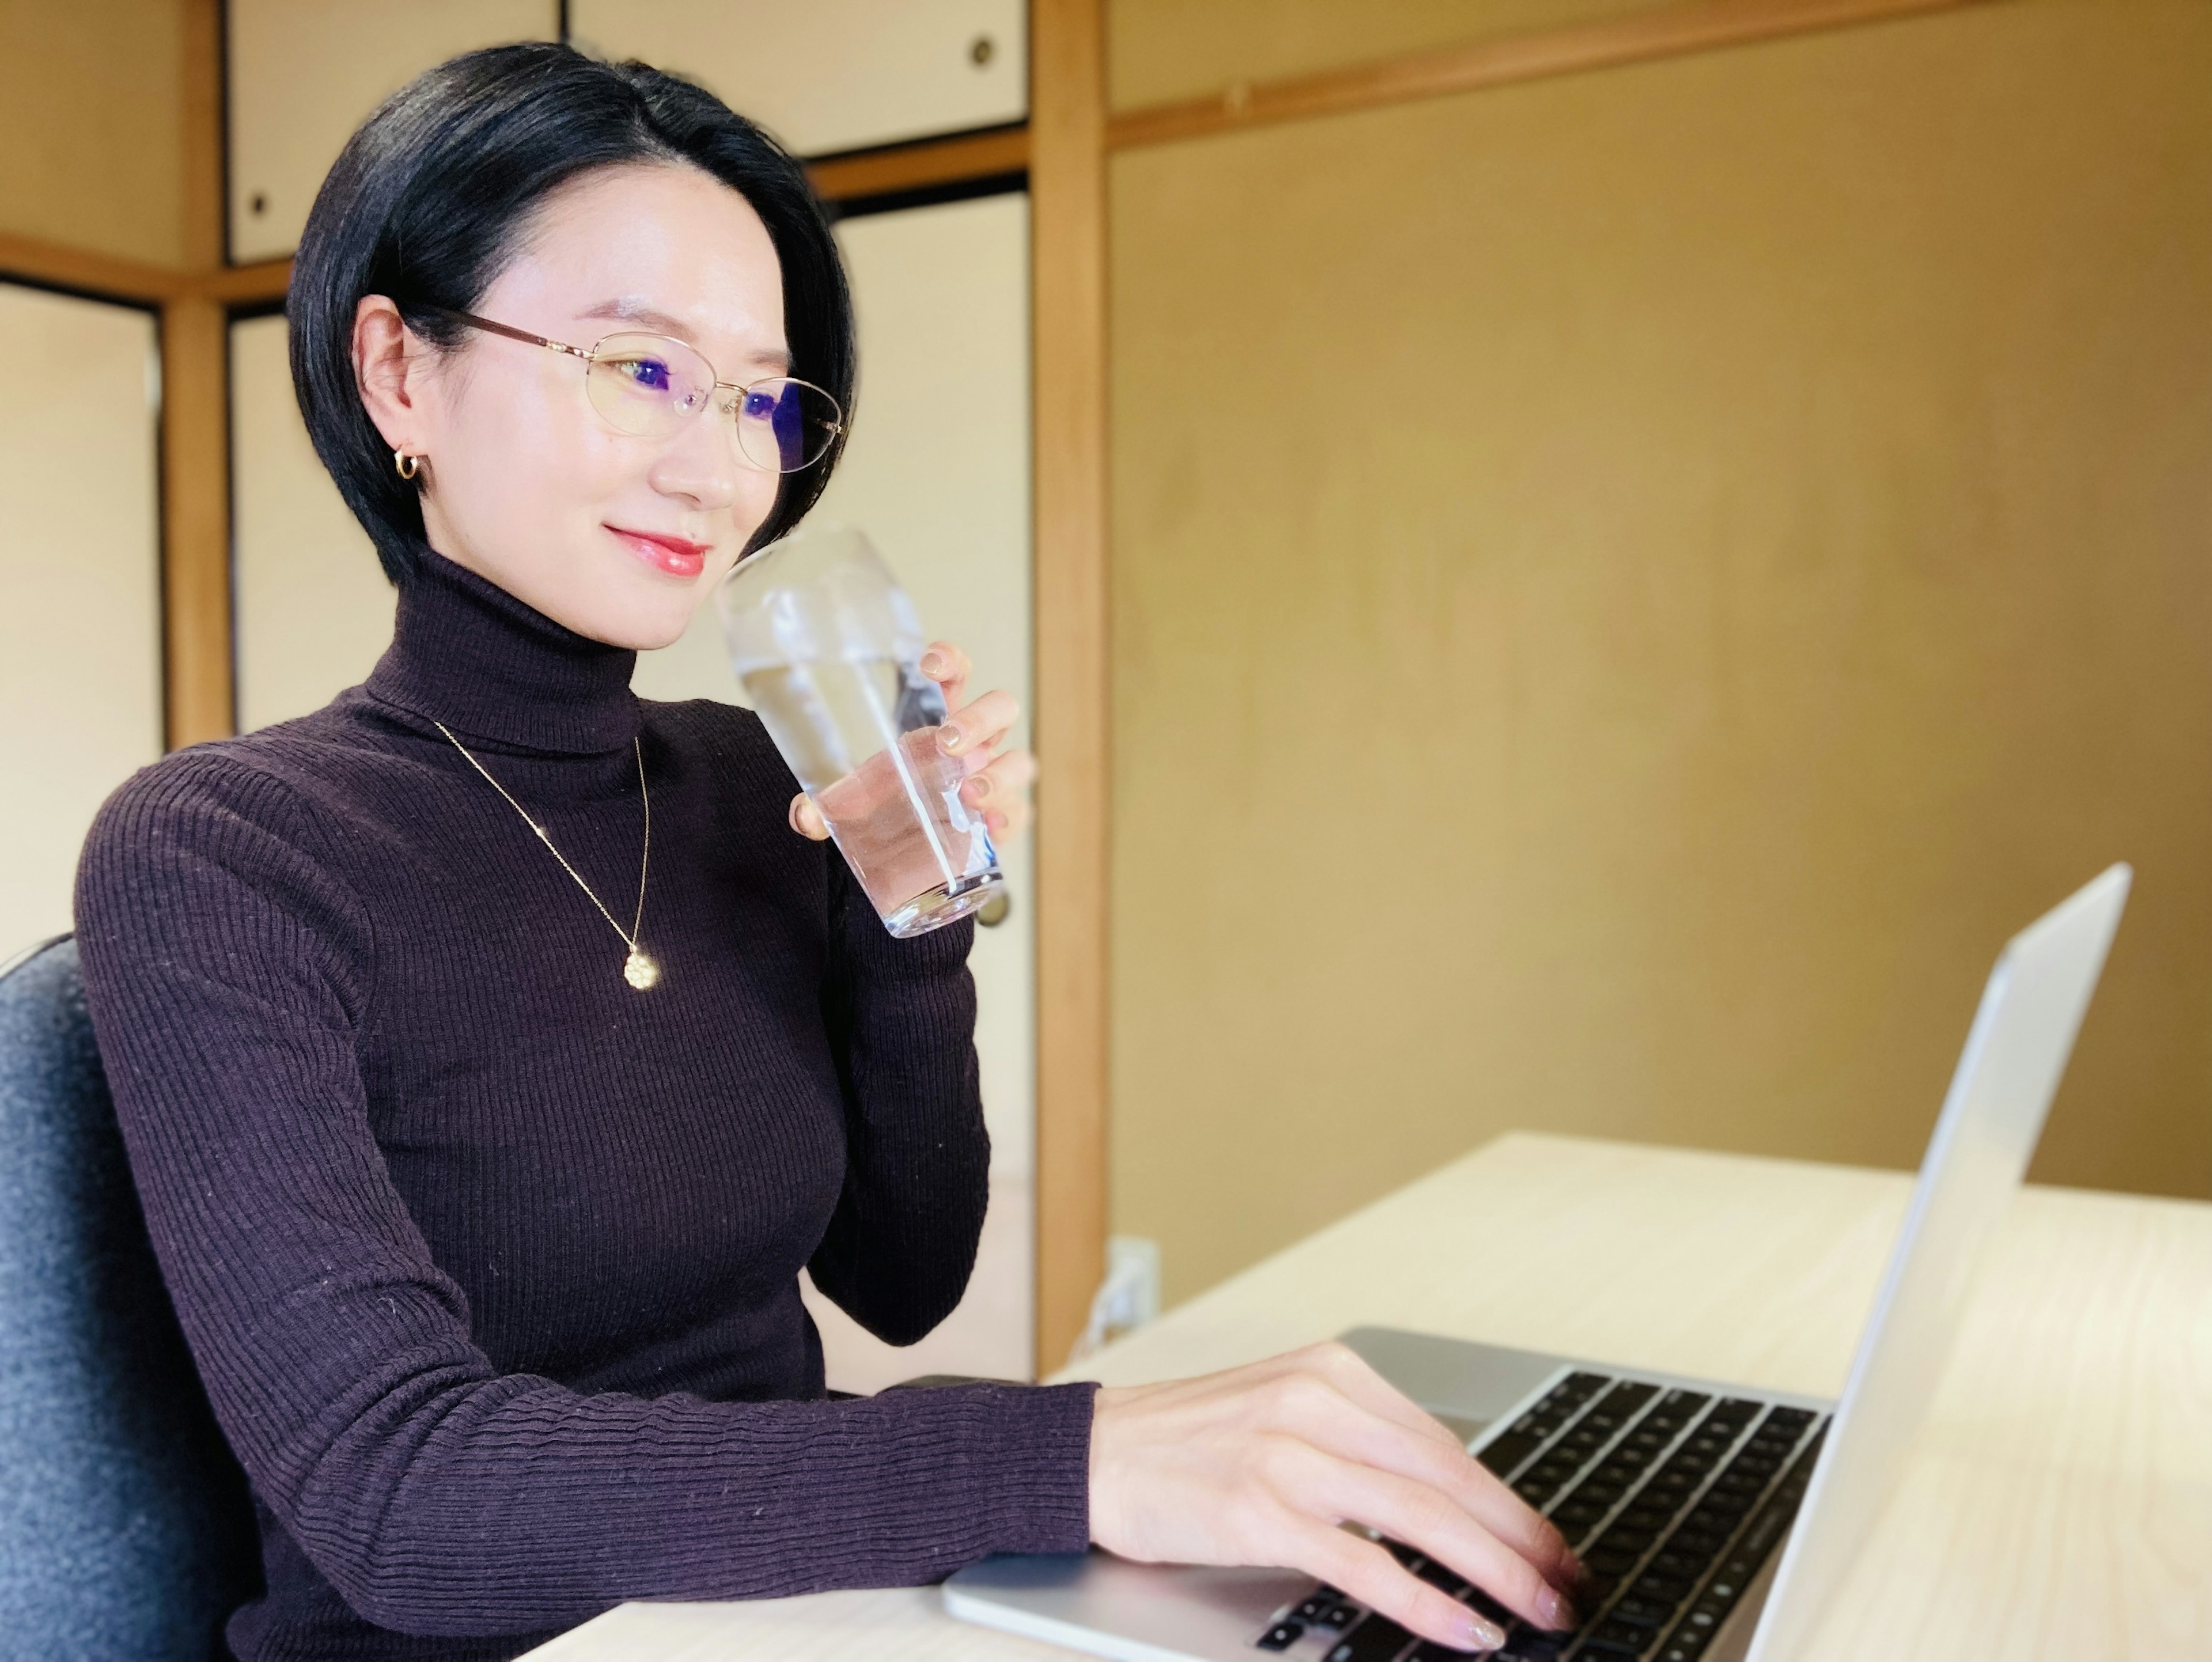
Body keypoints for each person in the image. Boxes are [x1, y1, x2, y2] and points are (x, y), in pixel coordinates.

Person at [73, 43, 1583, 1662]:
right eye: (638, 368)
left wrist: (912, 922)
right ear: (399, 374)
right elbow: (398, 1493)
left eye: (756, 398)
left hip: (802, 1610)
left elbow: (905, 1278)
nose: (715, 467)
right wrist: (1076, 1457)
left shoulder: (750, 778)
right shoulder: (221, 855)